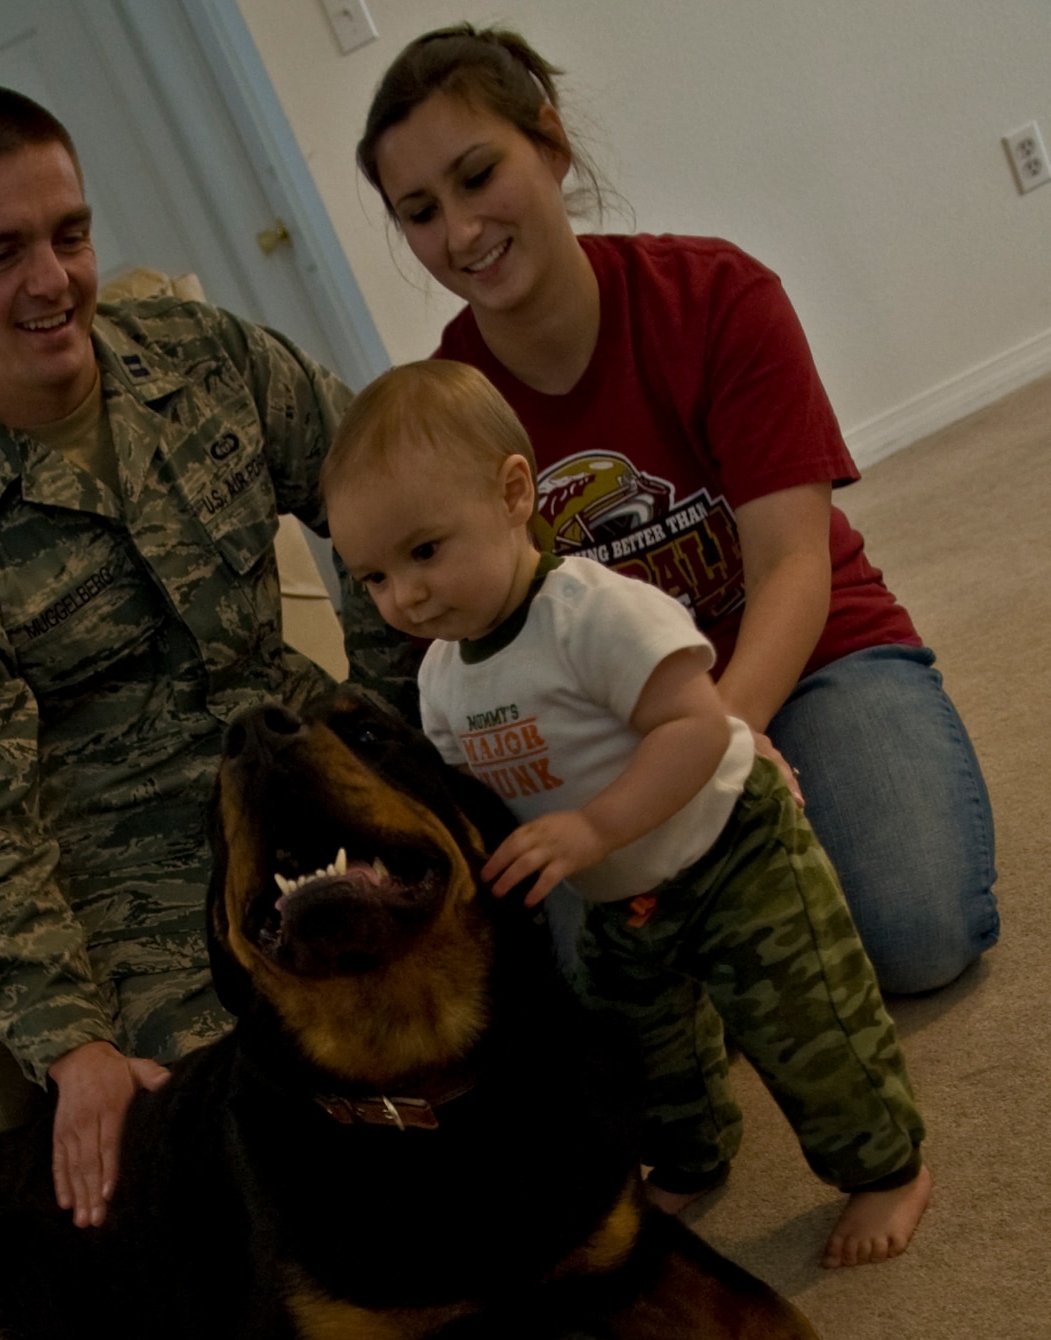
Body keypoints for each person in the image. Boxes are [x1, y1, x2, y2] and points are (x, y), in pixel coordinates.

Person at [354, 24, 998, 999]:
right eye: (419, 211)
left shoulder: (720, 297)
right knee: (601, 1002)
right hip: (601, 722)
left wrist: (715, 749)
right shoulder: (442, 411)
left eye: (478, 176)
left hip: (810, 664)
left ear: (551, 144)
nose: (460, 232)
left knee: (916, 933)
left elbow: (791, 568)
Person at [0, 84, 414, 1227]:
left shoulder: (199, 356)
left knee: (525, 915)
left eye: (69, 235)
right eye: (1, 252)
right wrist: (73, 1046)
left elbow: (383, 492)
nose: (52, 280)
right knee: (254, 1143)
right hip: (151, 885)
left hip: (308, 757)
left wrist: (403, 713)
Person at [322, 358, 931, 1267]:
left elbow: (696, 726)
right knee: (639, 1054)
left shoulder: (590, 613)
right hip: (622, 899)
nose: (403, 596)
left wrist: (597, 828)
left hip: (730, 848)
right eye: (371, 577)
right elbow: (470, 804)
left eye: (424, 552)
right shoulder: (441, 679)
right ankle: (690, 1155)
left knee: (806, 1020)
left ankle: (887, 1168)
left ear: (514, 494)